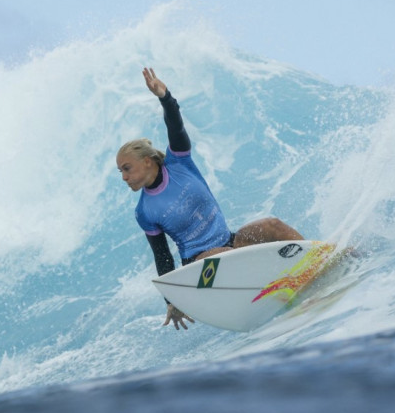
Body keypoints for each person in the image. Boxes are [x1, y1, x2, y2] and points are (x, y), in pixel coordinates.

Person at [117, 68, 304, 330]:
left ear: (147, 162)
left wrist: (164, 96)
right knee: (223, 257)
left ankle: (313, 264)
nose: (124, 177)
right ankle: (278, 290)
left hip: (230, 242)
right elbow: (162, 257)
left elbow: (176, 125)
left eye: (127, 168)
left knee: (272, 225)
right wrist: (172, 299)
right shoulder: (144, 211)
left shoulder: (179, 163)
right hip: (200, 268)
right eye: (120, 171)